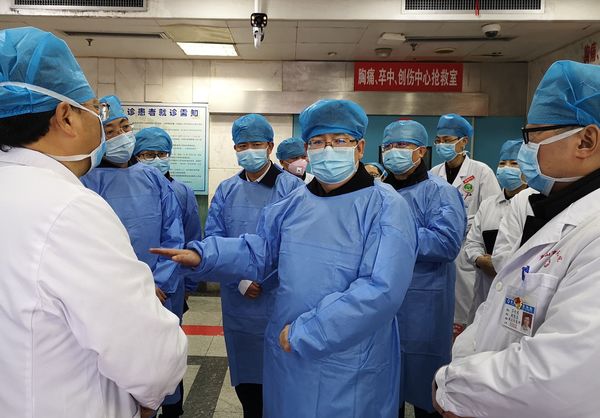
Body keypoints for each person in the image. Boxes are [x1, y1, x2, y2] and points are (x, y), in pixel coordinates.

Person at [153, 99, 419, 418]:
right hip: (289, 354)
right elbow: (262, 250)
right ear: (308, 149)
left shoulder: (386, 207)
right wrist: (204, 254)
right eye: (318, 142)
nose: (328, 149)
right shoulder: (295, 203)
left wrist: (308, 331)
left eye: (339, 140)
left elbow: (381, 290)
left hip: (349, 360)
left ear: (359, 148)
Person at [0, 27, 187, 418]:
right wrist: (153, 394)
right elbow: (148, 354)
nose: (103, 127)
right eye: (95, 110)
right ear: (66, 117)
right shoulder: (68, 209)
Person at [433, 60, 600, 418]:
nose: (526, 150)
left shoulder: (593, 233)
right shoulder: (552, 209)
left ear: (586, 140)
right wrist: (461, 369)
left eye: (533, 136)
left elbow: (562, 371)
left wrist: (455, 387)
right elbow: (500, 308)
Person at [202, 114, 303, 418]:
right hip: (239, 302)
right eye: (242, 145)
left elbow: (298, 245)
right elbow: (214, 240)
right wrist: (240, 281)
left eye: (256, 144)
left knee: (280, 378)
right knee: (248, 383)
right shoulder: (226, 190)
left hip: (279, 298)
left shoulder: (293, 188)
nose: (249, 151)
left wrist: (266, 281)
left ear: (270, 146)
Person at [381, 120, 466, 418]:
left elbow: (446, 243)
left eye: (402, 145)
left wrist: (394, 236)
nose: (395, 151)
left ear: (421, 151)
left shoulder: (440, 192)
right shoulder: (378, 192)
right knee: (383, 392)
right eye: (389, 146)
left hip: (424, 307)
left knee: (426, 394)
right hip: (381, 303)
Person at [133, 126, 203, 418]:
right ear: (137, 156)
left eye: (162, 154)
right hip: (131, 289)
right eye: (149, 154)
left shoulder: (181, 191)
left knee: (169, 351)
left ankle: (172, 408)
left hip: (171, 289)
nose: (156, 159)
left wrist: (187, 285)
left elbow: (189, 238)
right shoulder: (126, 188)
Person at [430, 114, 501, 337]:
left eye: (448, 140)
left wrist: (464, 228)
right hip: (440, 246)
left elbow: (491, 213)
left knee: (466, 309)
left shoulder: (481, 172)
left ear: (464, 142)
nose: (442, 145)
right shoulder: (434, 173)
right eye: (439, 140)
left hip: (467, 247)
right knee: (440, 309)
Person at [464, 139, 529, 323]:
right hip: (485, 287)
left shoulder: (534, 204)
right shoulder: (488, 205)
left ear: (526, 168)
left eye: (514, 163)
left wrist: (501, 263)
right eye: (502, 163)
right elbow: (472, 242)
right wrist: (481, 260)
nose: (506, 168)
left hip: (517, 289)